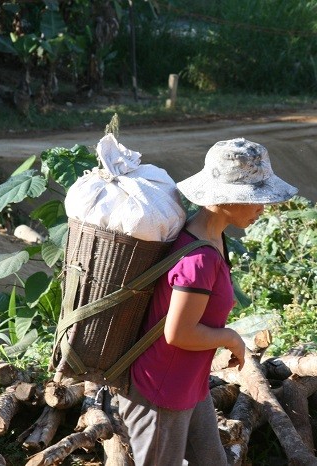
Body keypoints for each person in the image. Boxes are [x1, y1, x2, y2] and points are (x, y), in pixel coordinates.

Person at [117, 137, 298, 465]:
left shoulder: (212, 239)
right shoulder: (198, 258)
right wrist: (231, 338)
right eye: (256, 197)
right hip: (161, 393)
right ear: (225, 197)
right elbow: (179, 333)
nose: (262, 207)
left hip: (189, 387)